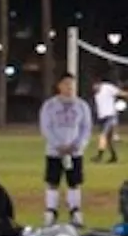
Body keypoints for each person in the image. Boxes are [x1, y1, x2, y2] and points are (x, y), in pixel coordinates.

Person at [39, 73, 93, 227]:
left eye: (71, 84)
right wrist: (58, 145)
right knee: (52, 182)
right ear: (59, 86)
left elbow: (86, 128)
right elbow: (46, 127)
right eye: (66, 84)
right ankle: (50, 212)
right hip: (54, 152)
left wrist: (78, 145)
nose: (69, 88)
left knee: (74, 182)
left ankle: (75, 212)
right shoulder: (49, 105)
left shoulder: (82, 105)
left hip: (74, 152)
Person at [92, 78, 120, 164]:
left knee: (103, 136)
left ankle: (99, 157)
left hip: (110, 116)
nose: (94, 88)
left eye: (95, 86)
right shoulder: (96, 95)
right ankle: (114, 156)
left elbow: (120, 92)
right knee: (108, 139)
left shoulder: (107, 87)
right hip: (103, 118)